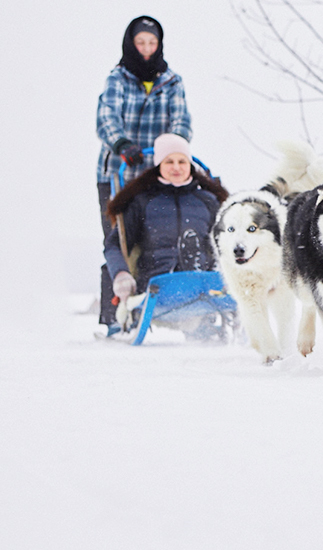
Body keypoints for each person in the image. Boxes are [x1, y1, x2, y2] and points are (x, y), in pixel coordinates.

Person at [96, 15, 192, 328]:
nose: (147, 49)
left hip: (156, 173)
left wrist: (170, 150)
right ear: (131, 44)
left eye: (152, 43)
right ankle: (114, 315)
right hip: (118, 172)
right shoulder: (118, 78)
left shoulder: (172, 80)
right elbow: (106, 117)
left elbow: (181, 122)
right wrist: (122, 144)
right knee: (120, 238)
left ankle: (162, 307)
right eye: (141, 42)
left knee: (156, 238)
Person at [103, 134, 228, 336]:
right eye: (169, 161)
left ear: (190, 165)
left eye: (182, 161)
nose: (176, 167)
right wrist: (121, 274)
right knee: (182, 262)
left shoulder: (208, 201)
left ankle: (196, 271)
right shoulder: (143, 201)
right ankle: (188, 267)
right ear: (159, 165)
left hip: (204, 286)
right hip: (157, 285)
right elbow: (114, 245)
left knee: (211, 254)